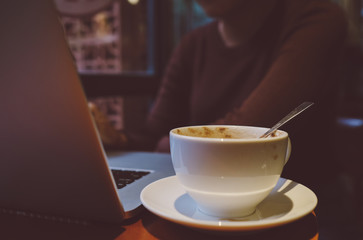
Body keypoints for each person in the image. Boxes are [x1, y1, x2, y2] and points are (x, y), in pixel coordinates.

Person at [89, 0, 347, 191]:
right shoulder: (193, 44)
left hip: (300, 202)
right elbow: (156, 133)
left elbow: (250, 128)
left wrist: (170, 147)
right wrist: (116, 139)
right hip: (205, 194)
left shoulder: (316, 17)